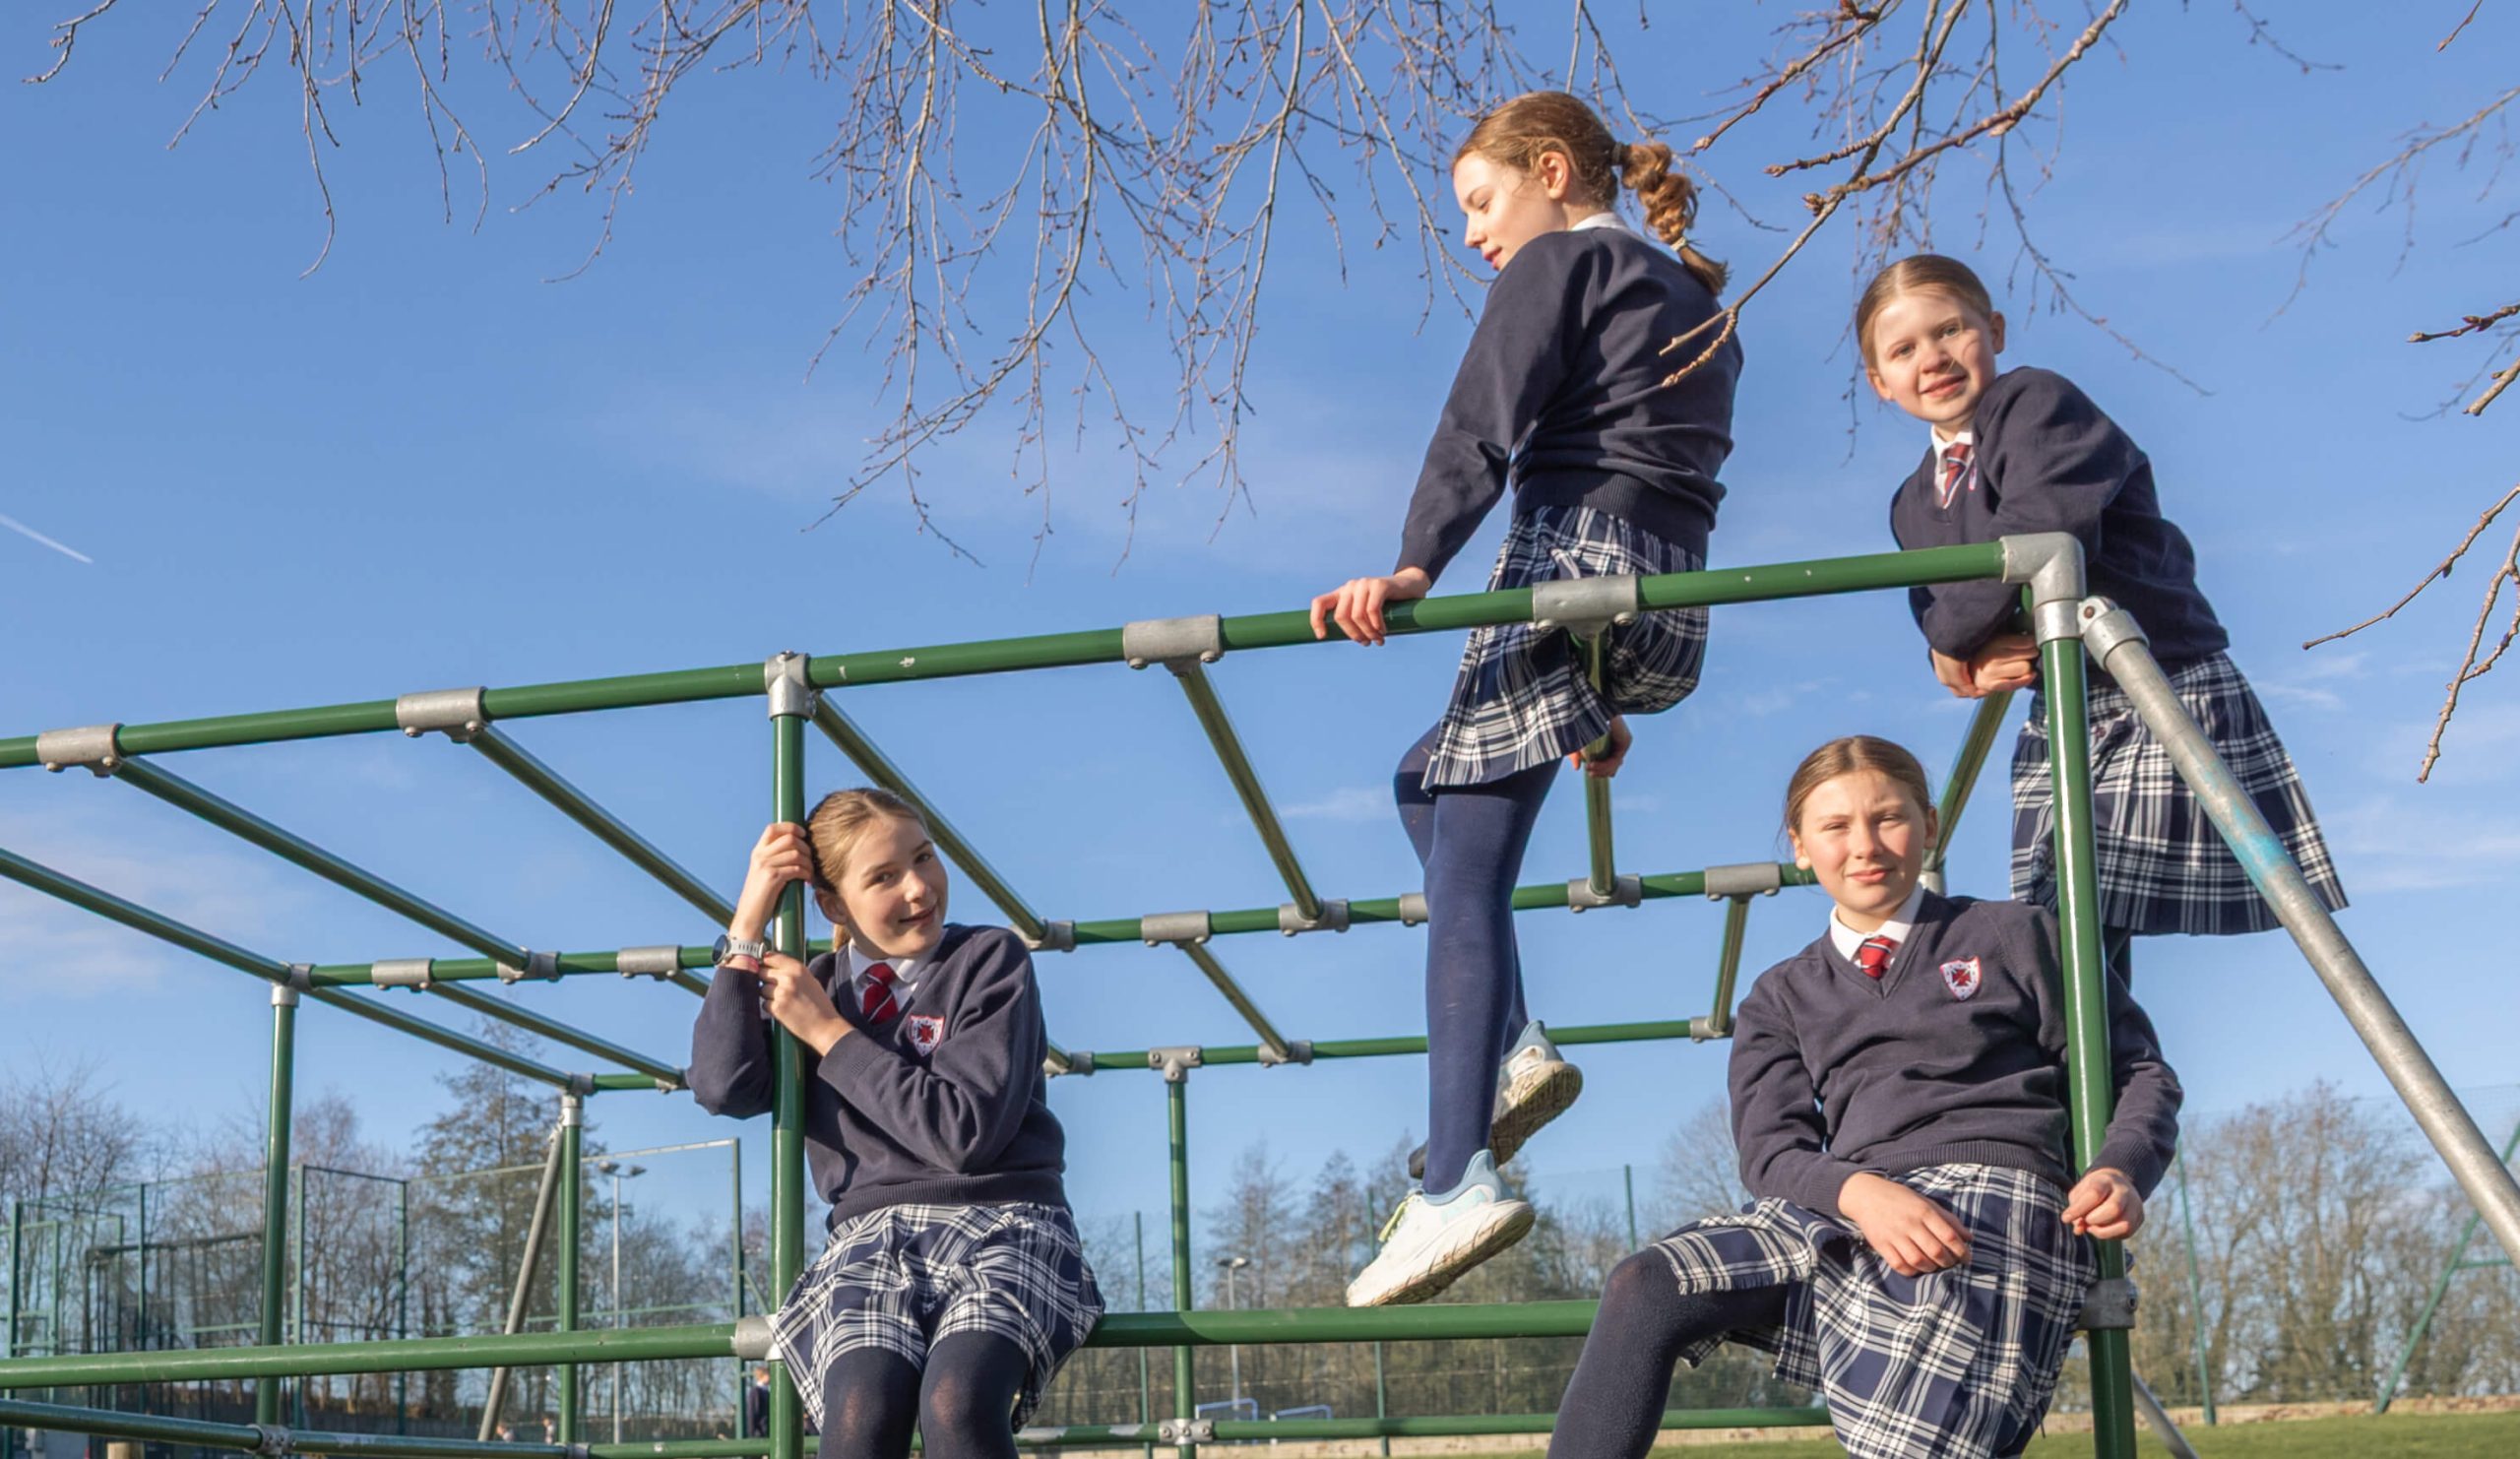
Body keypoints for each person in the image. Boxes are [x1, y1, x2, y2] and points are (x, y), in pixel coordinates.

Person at [1310, 89, 1743, 1307]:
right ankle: (1509, 1044)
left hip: (1569, 566)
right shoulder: (1695, 296)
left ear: (1551, 172)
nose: (1473, 235)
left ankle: (1455, 1180)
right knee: (1424, 777)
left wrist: (1413, 564)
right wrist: (1598, 687)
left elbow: (1478, 424)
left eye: (1480, 202)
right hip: (1662, 602)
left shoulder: (1561, 263)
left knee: (1464, 869)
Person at [1545, 736, 2181, 1458]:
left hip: (1992, 1200)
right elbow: (1771, 1154)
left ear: (1929, 825)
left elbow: (2139, 1069)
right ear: (1801, 846)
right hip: (1846, 1206)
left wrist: (2120, 1167)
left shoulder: (2011, 935)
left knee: (1910, 1441)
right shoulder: (1780, 995)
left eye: (1888, 818)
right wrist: (1860, 1195)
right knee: (1649, 1284)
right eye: (1836, 826)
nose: (1865, 846)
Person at [1861, 254, 2345, 979]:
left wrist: (1953, 647)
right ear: (1881, 381)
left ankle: (2095, 1051)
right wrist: (1965, 651)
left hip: (2155, 677)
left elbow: (2040, 530)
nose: (1932, 358)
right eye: (1903, 350)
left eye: (1950, 330)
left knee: (2076, 919)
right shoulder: (1911, 500)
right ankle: (2097, 1053)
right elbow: (1932, 599)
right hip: (2061, 702)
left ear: (1995, 331)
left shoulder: (2037, 405)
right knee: (2058, 923)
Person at [688, 789, 1102, 1459]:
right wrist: (748, 923)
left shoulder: (986, 962)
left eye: (924, 858)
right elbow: (722, 1086)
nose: (919, 888)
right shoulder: (815, 986)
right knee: (861, 1407)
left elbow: (962, 1135)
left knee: (957, 1401)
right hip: (872, 1238)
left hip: (1003, 1218)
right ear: (833, 905)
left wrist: (831, 1034)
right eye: (883, 876)